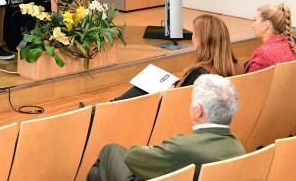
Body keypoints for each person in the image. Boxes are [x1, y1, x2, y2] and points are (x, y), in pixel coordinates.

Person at [87, 74, 245, 181]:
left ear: (198, 111)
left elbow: (132, 158)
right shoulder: (238, 148)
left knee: (110, 151)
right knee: (100, 172)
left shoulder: (184, 147)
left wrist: (149, 148)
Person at [114, 14, 238, 100]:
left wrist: (169, 89)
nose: (192, 38)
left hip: (173, 113)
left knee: (142, 88)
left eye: (194, 34)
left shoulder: (199, 73)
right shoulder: (234, 66)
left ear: (203, 40)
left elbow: (177, 101)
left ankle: (112, 105)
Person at [244, 3, 296, 73]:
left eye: (255, 20)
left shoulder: (263, 54)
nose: (252, 25)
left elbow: (249, 82)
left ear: (266, 24)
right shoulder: (291, 46)